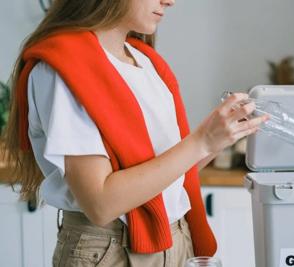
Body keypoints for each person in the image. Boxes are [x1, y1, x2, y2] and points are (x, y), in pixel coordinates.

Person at [2, 0, 268, 266]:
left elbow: (168, 180)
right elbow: (101, 203)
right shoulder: (63, 67)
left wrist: (219, 139)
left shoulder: (146, 62)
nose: (169, 1)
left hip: (177, 241)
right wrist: (201, 141)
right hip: (110, 249)